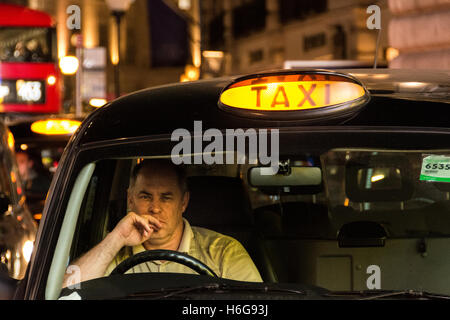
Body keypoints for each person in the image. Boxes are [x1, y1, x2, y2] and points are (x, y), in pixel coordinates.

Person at [62, 159, 262, 287]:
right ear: (130, 199)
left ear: (183, 202)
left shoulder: (223, 252)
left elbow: (256, 306)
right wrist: (117, 238)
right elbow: (66, 292)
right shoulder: (113, 254)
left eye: (166, 198)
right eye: (145, 196)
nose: (155, 208)